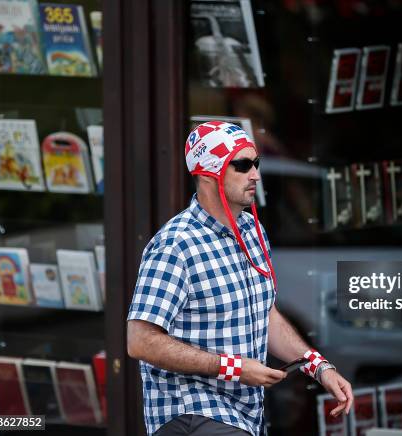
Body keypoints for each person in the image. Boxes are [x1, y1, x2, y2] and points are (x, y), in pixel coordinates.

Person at [127, 121, 353, 436]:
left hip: (242, 412)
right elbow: (140, 341)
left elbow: (266, 315)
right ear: (207, 174)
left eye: (256, 163)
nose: (255, 175)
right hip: (189, 411)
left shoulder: (253, 230)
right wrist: (233, 368)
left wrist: (319, 367)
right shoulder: (175, 245)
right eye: (242, 165)